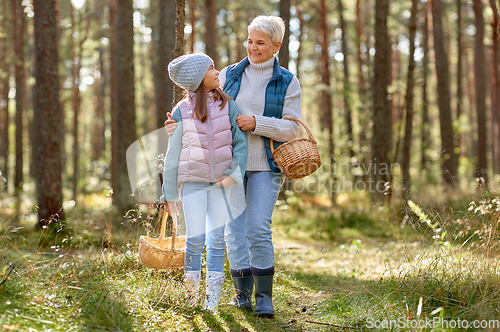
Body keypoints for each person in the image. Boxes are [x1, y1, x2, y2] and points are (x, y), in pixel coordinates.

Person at [165, 15, 302, 317]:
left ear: (277, 45)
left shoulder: (287, 81)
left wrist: (258, 123)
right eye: (250, 41)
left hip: (266, 164)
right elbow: (203, 109)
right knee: (233, 232)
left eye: (260, 43)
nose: (252, 47)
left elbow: (294, 129)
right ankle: (242, 295)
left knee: (257, 228)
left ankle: (264, 298)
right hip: (229, 167)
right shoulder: (229, 73)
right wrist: (178, 127)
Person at [162, 53, 248, 312]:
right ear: (199, 78)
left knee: (216, 239)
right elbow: (173, 152)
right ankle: (191, 298)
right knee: (195, 240)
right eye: (211, 68)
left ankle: (211, 303)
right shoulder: (181, 111)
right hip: (192, 185)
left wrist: (232, 175)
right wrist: (169, 194)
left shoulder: (229, 106)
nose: (216, 71)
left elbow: (240, 146)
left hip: (222, 185)